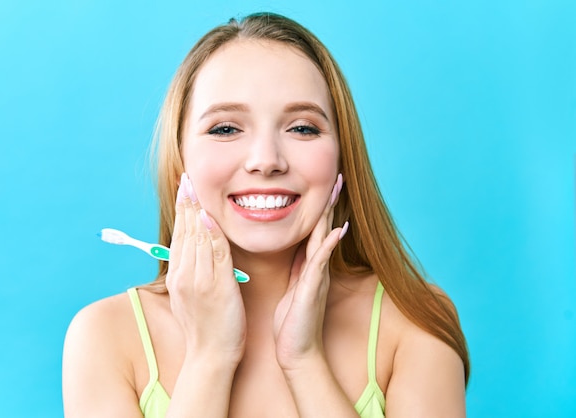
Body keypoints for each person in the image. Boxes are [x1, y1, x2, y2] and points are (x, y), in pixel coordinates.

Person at [62, 12, 470, 418]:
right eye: (225, 129)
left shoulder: (417, 320)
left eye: (303, 128)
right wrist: (210, 358)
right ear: (179, 159)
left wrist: (304, 360)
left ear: (343, 156)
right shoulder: (104, 337)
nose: (266, 161)